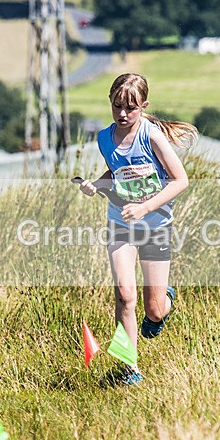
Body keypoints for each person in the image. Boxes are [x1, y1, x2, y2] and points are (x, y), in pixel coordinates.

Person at [78, 73, 197, 385]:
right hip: (120, 223)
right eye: (117, 106)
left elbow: (180, 180)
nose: (122, 114)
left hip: (156, 226)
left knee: (154, 309)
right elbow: (115, 172)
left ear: (143, 106)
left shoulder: (151, 136)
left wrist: (146, 207)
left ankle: (163, 303)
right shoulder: (104, 138)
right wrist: (97, 185)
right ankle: (129, 369)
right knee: (124, 295)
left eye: (130, 108)